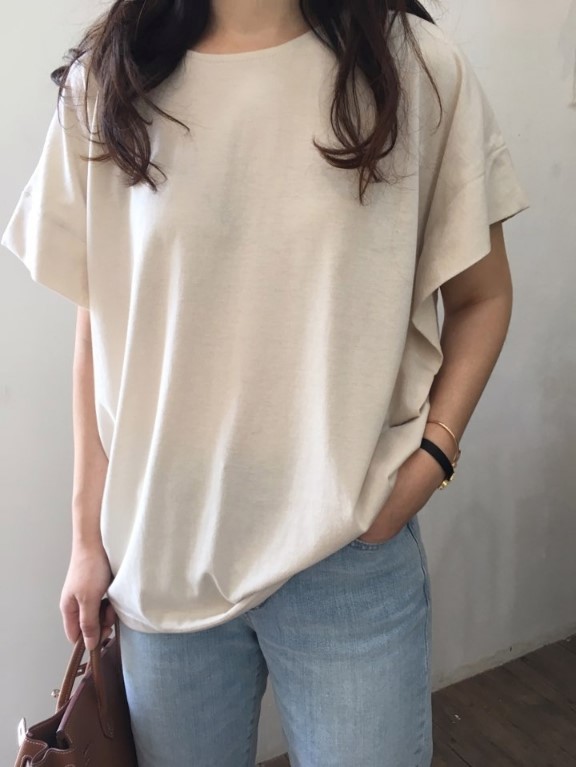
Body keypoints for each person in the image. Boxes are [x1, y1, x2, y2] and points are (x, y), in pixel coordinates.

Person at [1, 0, 529, 765]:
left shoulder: (413, 68)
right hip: (163, 561)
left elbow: (482, 296)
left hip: (348, 551)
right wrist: (87, 541)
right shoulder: (113, 78)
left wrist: (432, 458)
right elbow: (103, 324)